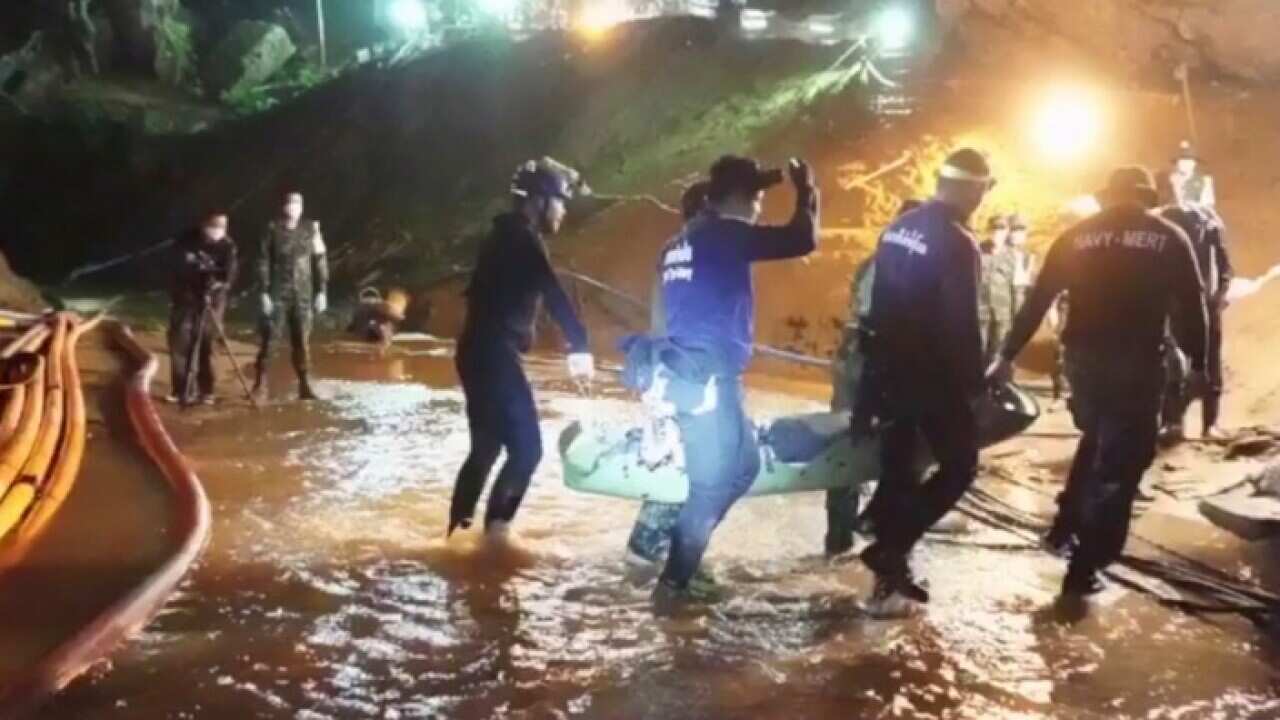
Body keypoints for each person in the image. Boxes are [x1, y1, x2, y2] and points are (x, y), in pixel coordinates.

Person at [987, 166, 1207, 597]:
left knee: (1100, 434)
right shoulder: (1168, 238)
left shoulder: (1077, 237)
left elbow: (1038, 299)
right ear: (1146, 196)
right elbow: (1193, 304)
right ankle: (1085, 566)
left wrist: (1005, 355)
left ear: (1107, 197)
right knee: (1123, 466)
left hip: (1083, 363)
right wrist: (1199, 363)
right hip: (1135, 362)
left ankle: (1065, 524)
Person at [651, 154, 819, 609]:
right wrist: (807, 192)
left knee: (742, 468)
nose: (761, 207)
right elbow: (802, 239)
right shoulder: (723, 234)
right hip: (706, 381)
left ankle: (681, 557)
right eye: (760, 198)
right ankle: (672, 586)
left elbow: (661, 311)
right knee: (711, 486)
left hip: (696, 376)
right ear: (742, 197)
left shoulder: (680, 241)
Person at [856, 149, 993, 613]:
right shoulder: (958, 242)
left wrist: (870, 383)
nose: (981, 199)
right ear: (971, 187)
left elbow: (875, 307)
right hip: (932, 377)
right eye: (982, 189)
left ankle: (887, 579)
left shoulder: (898, 229)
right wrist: (974, 387)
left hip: (889, 372)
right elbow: (962, 324)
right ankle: (889, 546)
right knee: (959, 467)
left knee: (901, 471)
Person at [449, 158, 595, 538]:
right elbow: (553, 292)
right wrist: (580, 344)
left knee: (486, 449)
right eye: (559, 202)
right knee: (528, 450)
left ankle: (457, 537)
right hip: (494, 354)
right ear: (538, 201)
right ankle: (495, 542)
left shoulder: (504, 235)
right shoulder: (522, 238)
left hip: (476, 352)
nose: (563, 211)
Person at [826, 197, 922, 557]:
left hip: (863, 362)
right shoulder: (893, 267)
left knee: (850, 444)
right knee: (867, 446)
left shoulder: (877, 261)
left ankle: (845, 539)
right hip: (873, 365)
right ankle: (856, 539)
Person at [625, 180, 710, 570]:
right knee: (677, 473)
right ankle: (643, 567)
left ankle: (652, 562)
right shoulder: (702, 248)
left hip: (663, 370)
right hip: (680, 374)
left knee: (673, 467)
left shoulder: (673, 248)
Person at [1158, 201, 1232, 441]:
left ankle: (1206, 423)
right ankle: (1173, 421)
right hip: (1178, 306)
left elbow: (1225, 268)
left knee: (1208, 363)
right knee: (1174, 364)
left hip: (1202, 306)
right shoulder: (1169, 231)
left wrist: (1219, 295)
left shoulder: (1210, 231)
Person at [253, 191, 329, 401]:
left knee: (302, 341)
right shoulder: (272, 229)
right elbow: (262, 262)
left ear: (302, 207)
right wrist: (264, 292)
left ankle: (304, 385)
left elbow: (320, 259)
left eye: (297, 204)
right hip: (278, 293)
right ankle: (260, 383)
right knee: (270, 339)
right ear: (283, 206)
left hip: (303, 294)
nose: (293, 207)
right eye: (289, 203)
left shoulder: (310, 229)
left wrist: (322, 291)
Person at [167, 212, 237, 405]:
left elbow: (229, 276)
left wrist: (216, 286)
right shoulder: (186, 241)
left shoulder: (227, 246)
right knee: (181, 341)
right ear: (204, 226)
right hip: (186, 298)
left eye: (221, 228)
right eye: (213, 227)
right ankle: (181, 389)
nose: (217, 232)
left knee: (209, 343)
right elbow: (175, 269)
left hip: (213, 300)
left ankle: (207, 391)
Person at [978, 215, 1008, 363]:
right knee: (978, 350)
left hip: (1003, 314)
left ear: (1007, 231)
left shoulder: (1014, 256)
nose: (997, 233)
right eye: (994, 229)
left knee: (999, 353)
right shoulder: (976, 251)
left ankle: (997, 385)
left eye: (1001, 229)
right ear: (988, 231)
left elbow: (1018, 288)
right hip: (980, 311)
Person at [1168, 140, 1215, 208]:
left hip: (1199, 210)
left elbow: (1208, 201)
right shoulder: (1175, 176)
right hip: (1182, 210)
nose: (1185, 151)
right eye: (1183, 150)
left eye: (1186, 149)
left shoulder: (1204, 179)